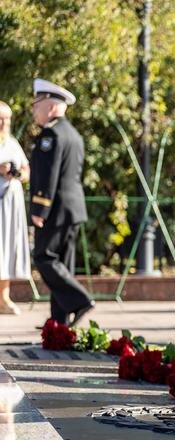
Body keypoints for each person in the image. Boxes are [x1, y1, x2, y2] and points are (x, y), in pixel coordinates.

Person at [30, 79, 95, 325]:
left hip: (55, 209)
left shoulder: (51, 134)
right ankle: (60, 324)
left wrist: (39, 209)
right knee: (62, 264)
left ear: (51, 106)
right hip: (74, 209)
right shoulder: (73, 134)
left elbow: (48, 175)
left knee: (44, 257)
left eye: (38, 105)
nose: (35, 110)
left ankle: (80, 300)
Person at [0, 101, 30, 315]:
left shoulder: (11, 143)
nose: (4, 123)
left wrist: (15, 173)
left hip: (11, 203)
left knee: (7, 247)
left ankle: (4, 297)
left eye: (7, 119)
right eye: (0, 119)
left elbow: (27, 172)